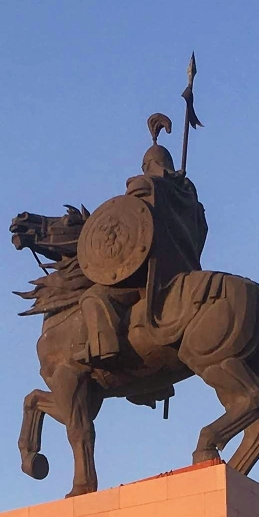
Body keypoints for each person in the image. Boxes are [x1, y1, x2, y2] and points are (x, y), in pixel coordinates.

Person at [80, 131, 208, 363]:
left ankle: (106, 353)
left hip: (153, 274)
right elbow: (203, 234)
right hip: (187, 272)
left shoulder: (145, 185)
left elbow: (131, 221)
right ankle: (151, 386)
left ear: (147, 165)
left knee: (94, 296)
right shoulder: (193, 202)